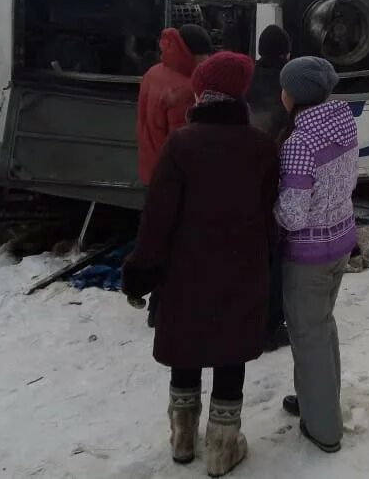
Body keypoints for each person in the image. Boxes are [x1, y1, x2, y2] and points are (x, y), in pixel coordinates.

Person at [122, 52, 279, 476]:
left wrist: (140, 271)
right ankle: (223, 450)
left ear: (201, 91)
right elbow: (270, 216)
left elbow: (157, 218)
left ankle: (183, 439)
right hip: (242, 269)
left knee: (186, 349)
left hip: (184, 270)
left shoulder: (181, 144)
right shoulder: (262, 147)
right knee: (231, 355)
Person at [275, 57, 358, 454]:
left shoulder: (299, 144)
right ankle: (316, 398)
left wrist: (264, 206)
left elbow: (291, 215)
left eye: (285, 88)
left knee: (309, 336)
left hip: (307, 255)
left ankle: (324, 428)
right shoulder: (344, 123)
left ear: (294, 96)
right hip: (340, 240)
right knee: (322, 327)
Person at [245, 24, 293, 352]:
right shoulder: (289, 82)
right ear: (286, 51)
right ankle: (270, 326)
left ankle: (244, 316)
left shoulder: (245, 78)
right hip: (277, 175)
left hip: (242, 173)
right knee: (273, 255)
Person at [136, 24, 213, 186]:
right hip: (173, 178)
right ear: (191, 54)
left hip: (150, 166)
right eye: (204, 56)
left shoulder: (152, 73)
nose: (207, 61)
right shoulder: (186, 89)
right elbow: (184, 145)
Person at [247, 25, 292, 139]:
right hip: (284, 142)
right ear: (286, 52)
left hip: (252, 140)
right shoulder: (291, 77)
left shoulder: (248, 74)